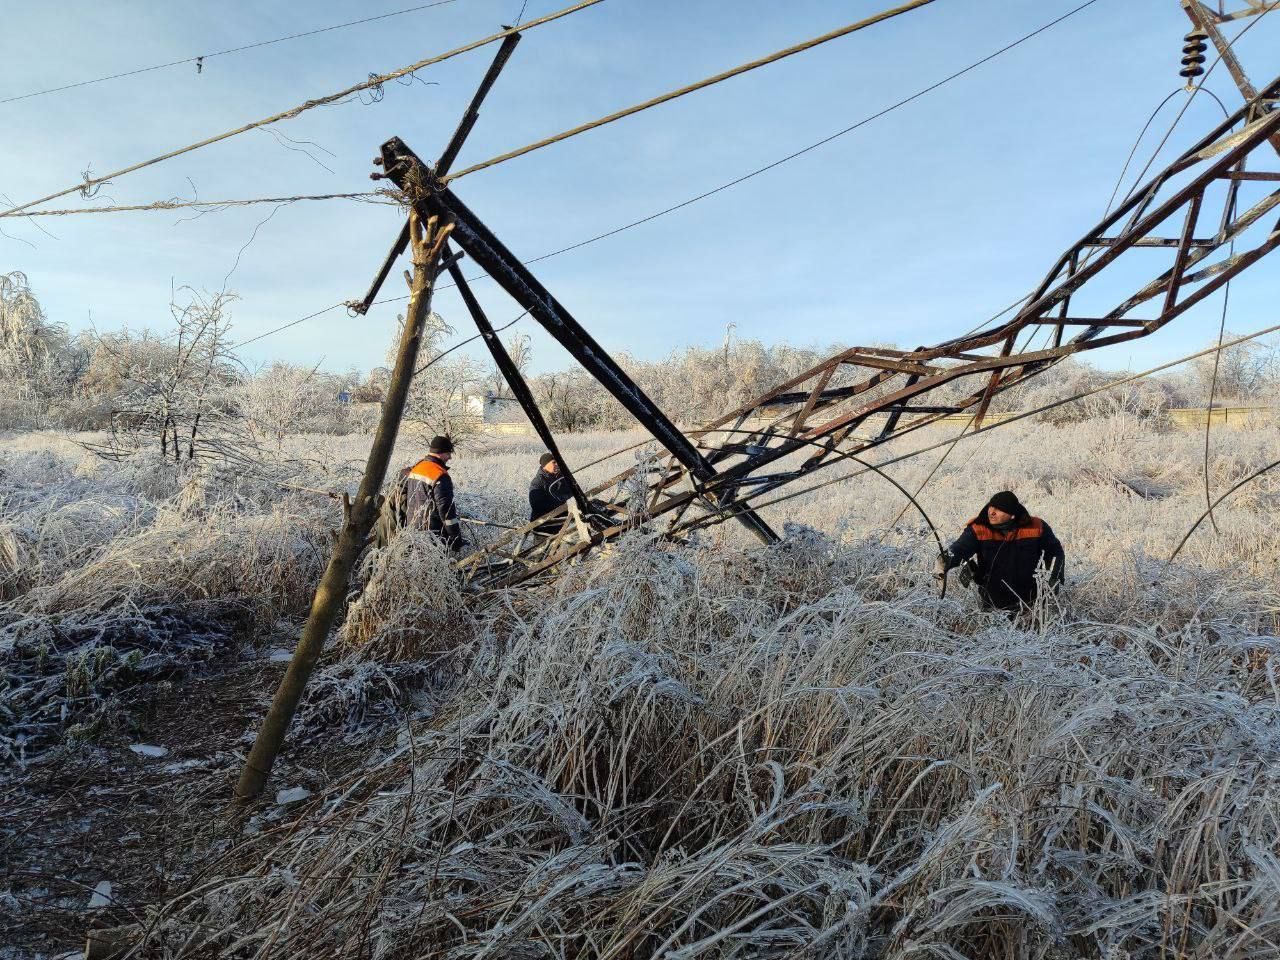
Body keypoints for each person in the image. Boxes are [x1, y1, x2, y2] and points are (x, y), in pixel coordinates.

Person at [934, 490, 1064, 612]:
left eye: (999, 509)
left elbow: (1055, 552)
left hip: (1032, 601)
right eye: (991, 506)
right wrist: (946, 559)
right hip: (993, 602)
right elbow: (961, 548)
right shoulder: (979, 528)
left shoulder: (1037, 526)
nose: (992, 512)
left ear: (1012, 515)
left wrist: (1053, 578)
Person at [385, 435, 465, 552]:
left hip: (413, 531)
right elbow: (446, 511)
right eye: (448, 453)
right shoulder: (440, 475)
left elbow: (402, 482)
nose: (450, 457)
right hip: (433, 535)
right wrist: (455, 539)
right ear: (441, 453)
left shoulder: (417, 468)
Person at [529, 452, 571, 525]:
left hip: (564, 519)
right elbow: (537, 505)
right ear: (545, 465)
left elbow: (572, 493)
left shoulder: (563, 477)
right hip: (545, 523)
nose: (557, 464)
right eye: (554, 462)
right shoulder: (538, 482)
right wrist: (561, 504)